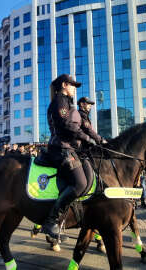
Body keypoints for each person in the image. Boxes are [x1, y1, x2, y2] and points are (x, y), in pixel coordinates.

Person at [42, 74, 97, 241]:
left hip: (68, 148)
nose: (75, 89)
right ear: (65, 85)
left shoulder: (65, 101)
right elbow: (66, 125)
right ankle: (51, 220)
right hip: (60, 148)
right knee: (80, 183)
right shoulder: (60, 100)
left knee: (88, 178)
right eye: (73, 85)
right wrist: (87, 138)